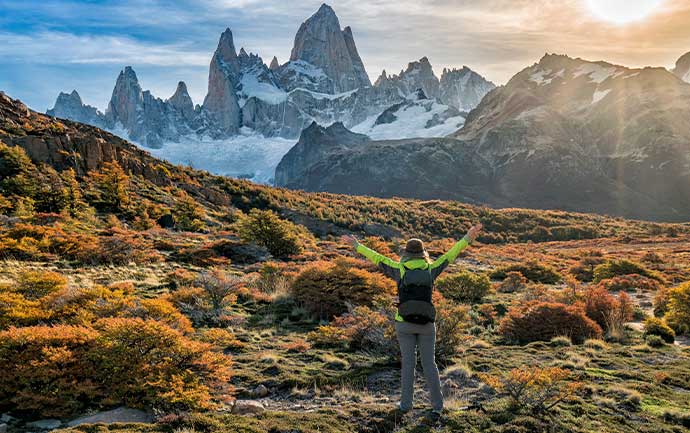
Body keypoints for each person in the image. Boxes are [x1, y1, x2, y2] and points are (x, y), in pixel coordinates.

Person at [342, 223, 483, 415]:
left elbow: (377, 257)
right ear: (423, 253)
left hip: (404, 323)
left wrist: (356, 245)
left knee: (408, 365)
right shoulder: (431, 269)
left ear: (406, 253)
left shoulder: (399, 269)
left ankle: (405, 406)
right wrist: (467, 237)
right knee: (430, 364)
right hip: (427, 324)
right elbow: (451, 254)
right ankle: (437, 407)